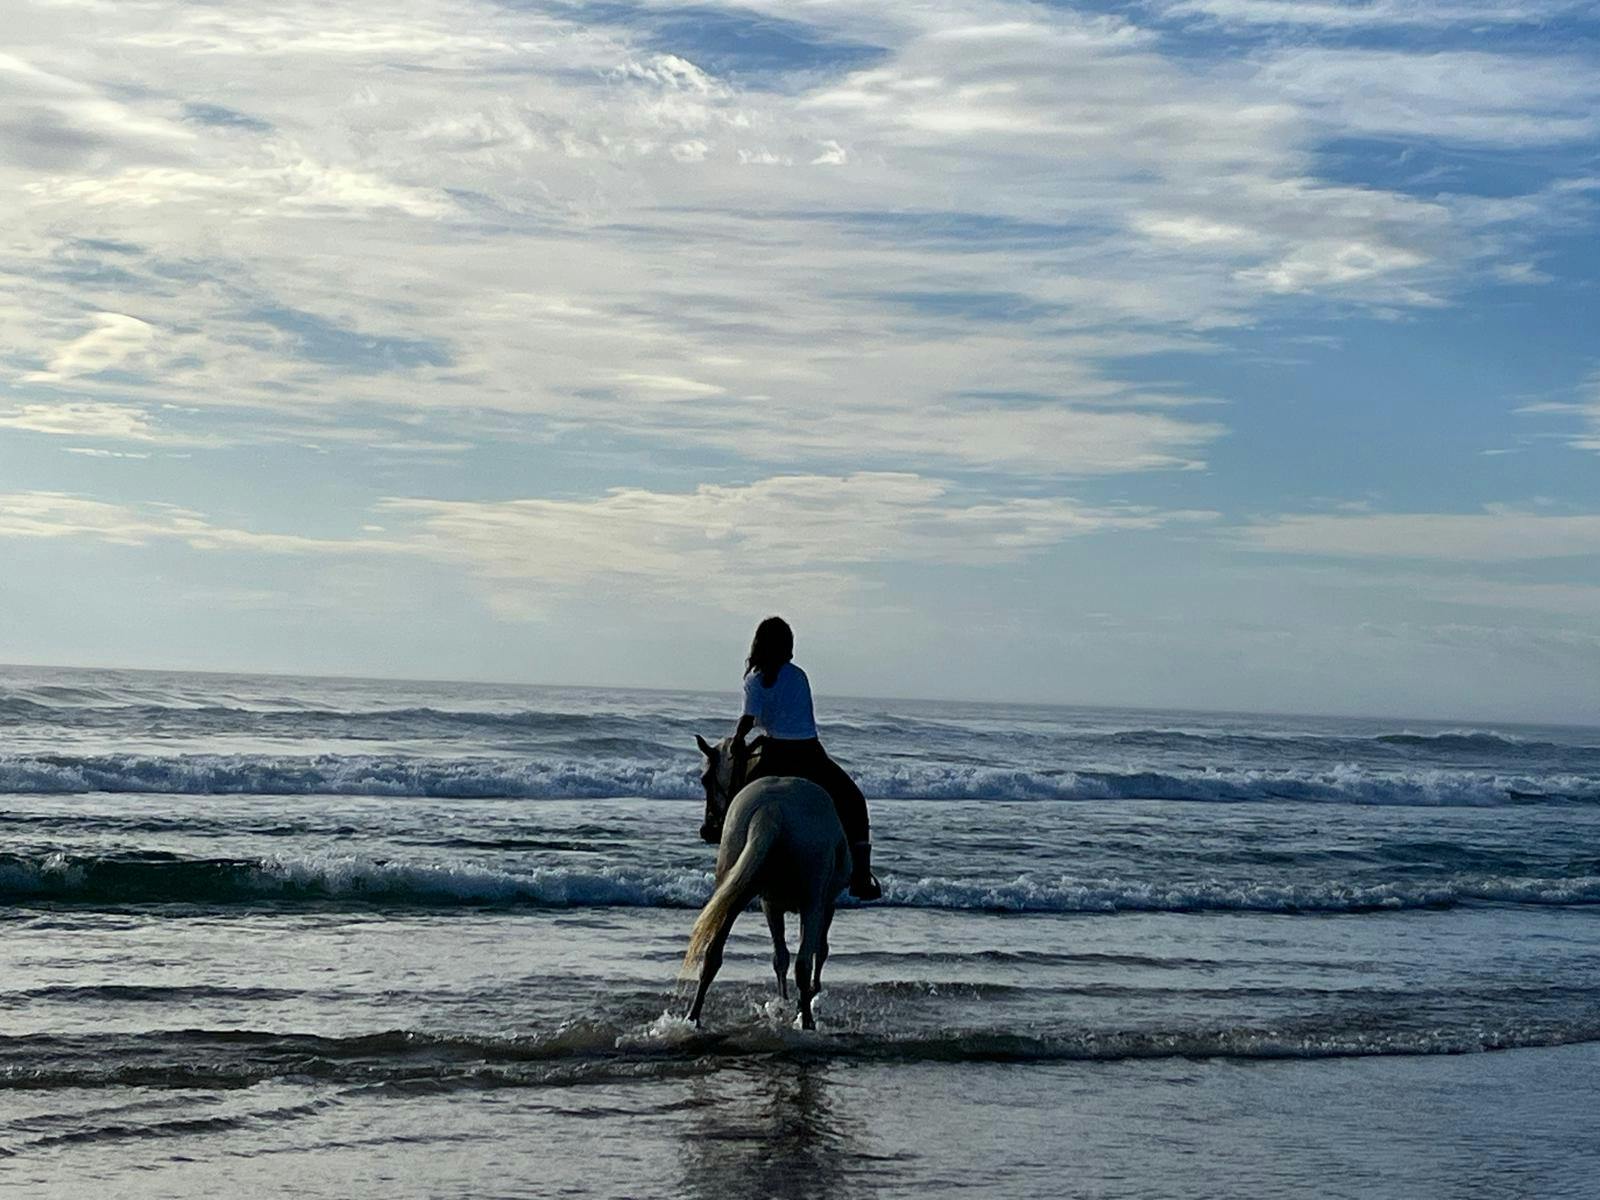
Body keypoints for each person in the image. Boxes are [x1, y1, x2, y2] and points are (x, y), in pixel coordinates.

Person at [730, 616, 882, 901]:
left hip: (775, 756)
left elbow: (748, 720)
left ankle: (731, 861)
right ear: (787, 646)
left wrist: (738, 741)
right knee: (853, 801)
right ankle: (862, 875)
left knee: (738, 804)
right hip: (810, 756)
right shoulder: (799, 676)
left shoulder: (754, 679)